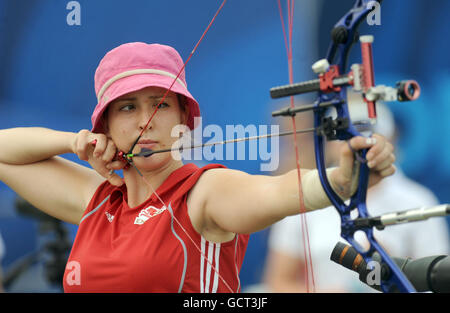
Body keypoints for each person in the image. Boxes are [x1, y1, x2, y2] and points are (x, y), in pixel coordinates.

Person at [0, 42, 397, 293]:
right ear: (104, 125)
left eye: (160, 104)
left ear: (182, 118)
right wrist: (72, 142)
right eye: (127, 107)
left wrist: (342, 179)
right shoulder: (97, 200)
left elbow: (276, 191)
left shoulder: (203, 192)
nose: (145, 120)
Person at [263, 101, 450, 293]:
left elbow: (439, 281)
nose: (356, 146)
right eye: (346, 137)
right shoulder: (304, 196)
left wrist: (395, 271)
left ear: (390, 139)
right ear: (328, 144)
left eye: (367, 134)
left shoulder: (418, 199)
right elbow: (277, 283)